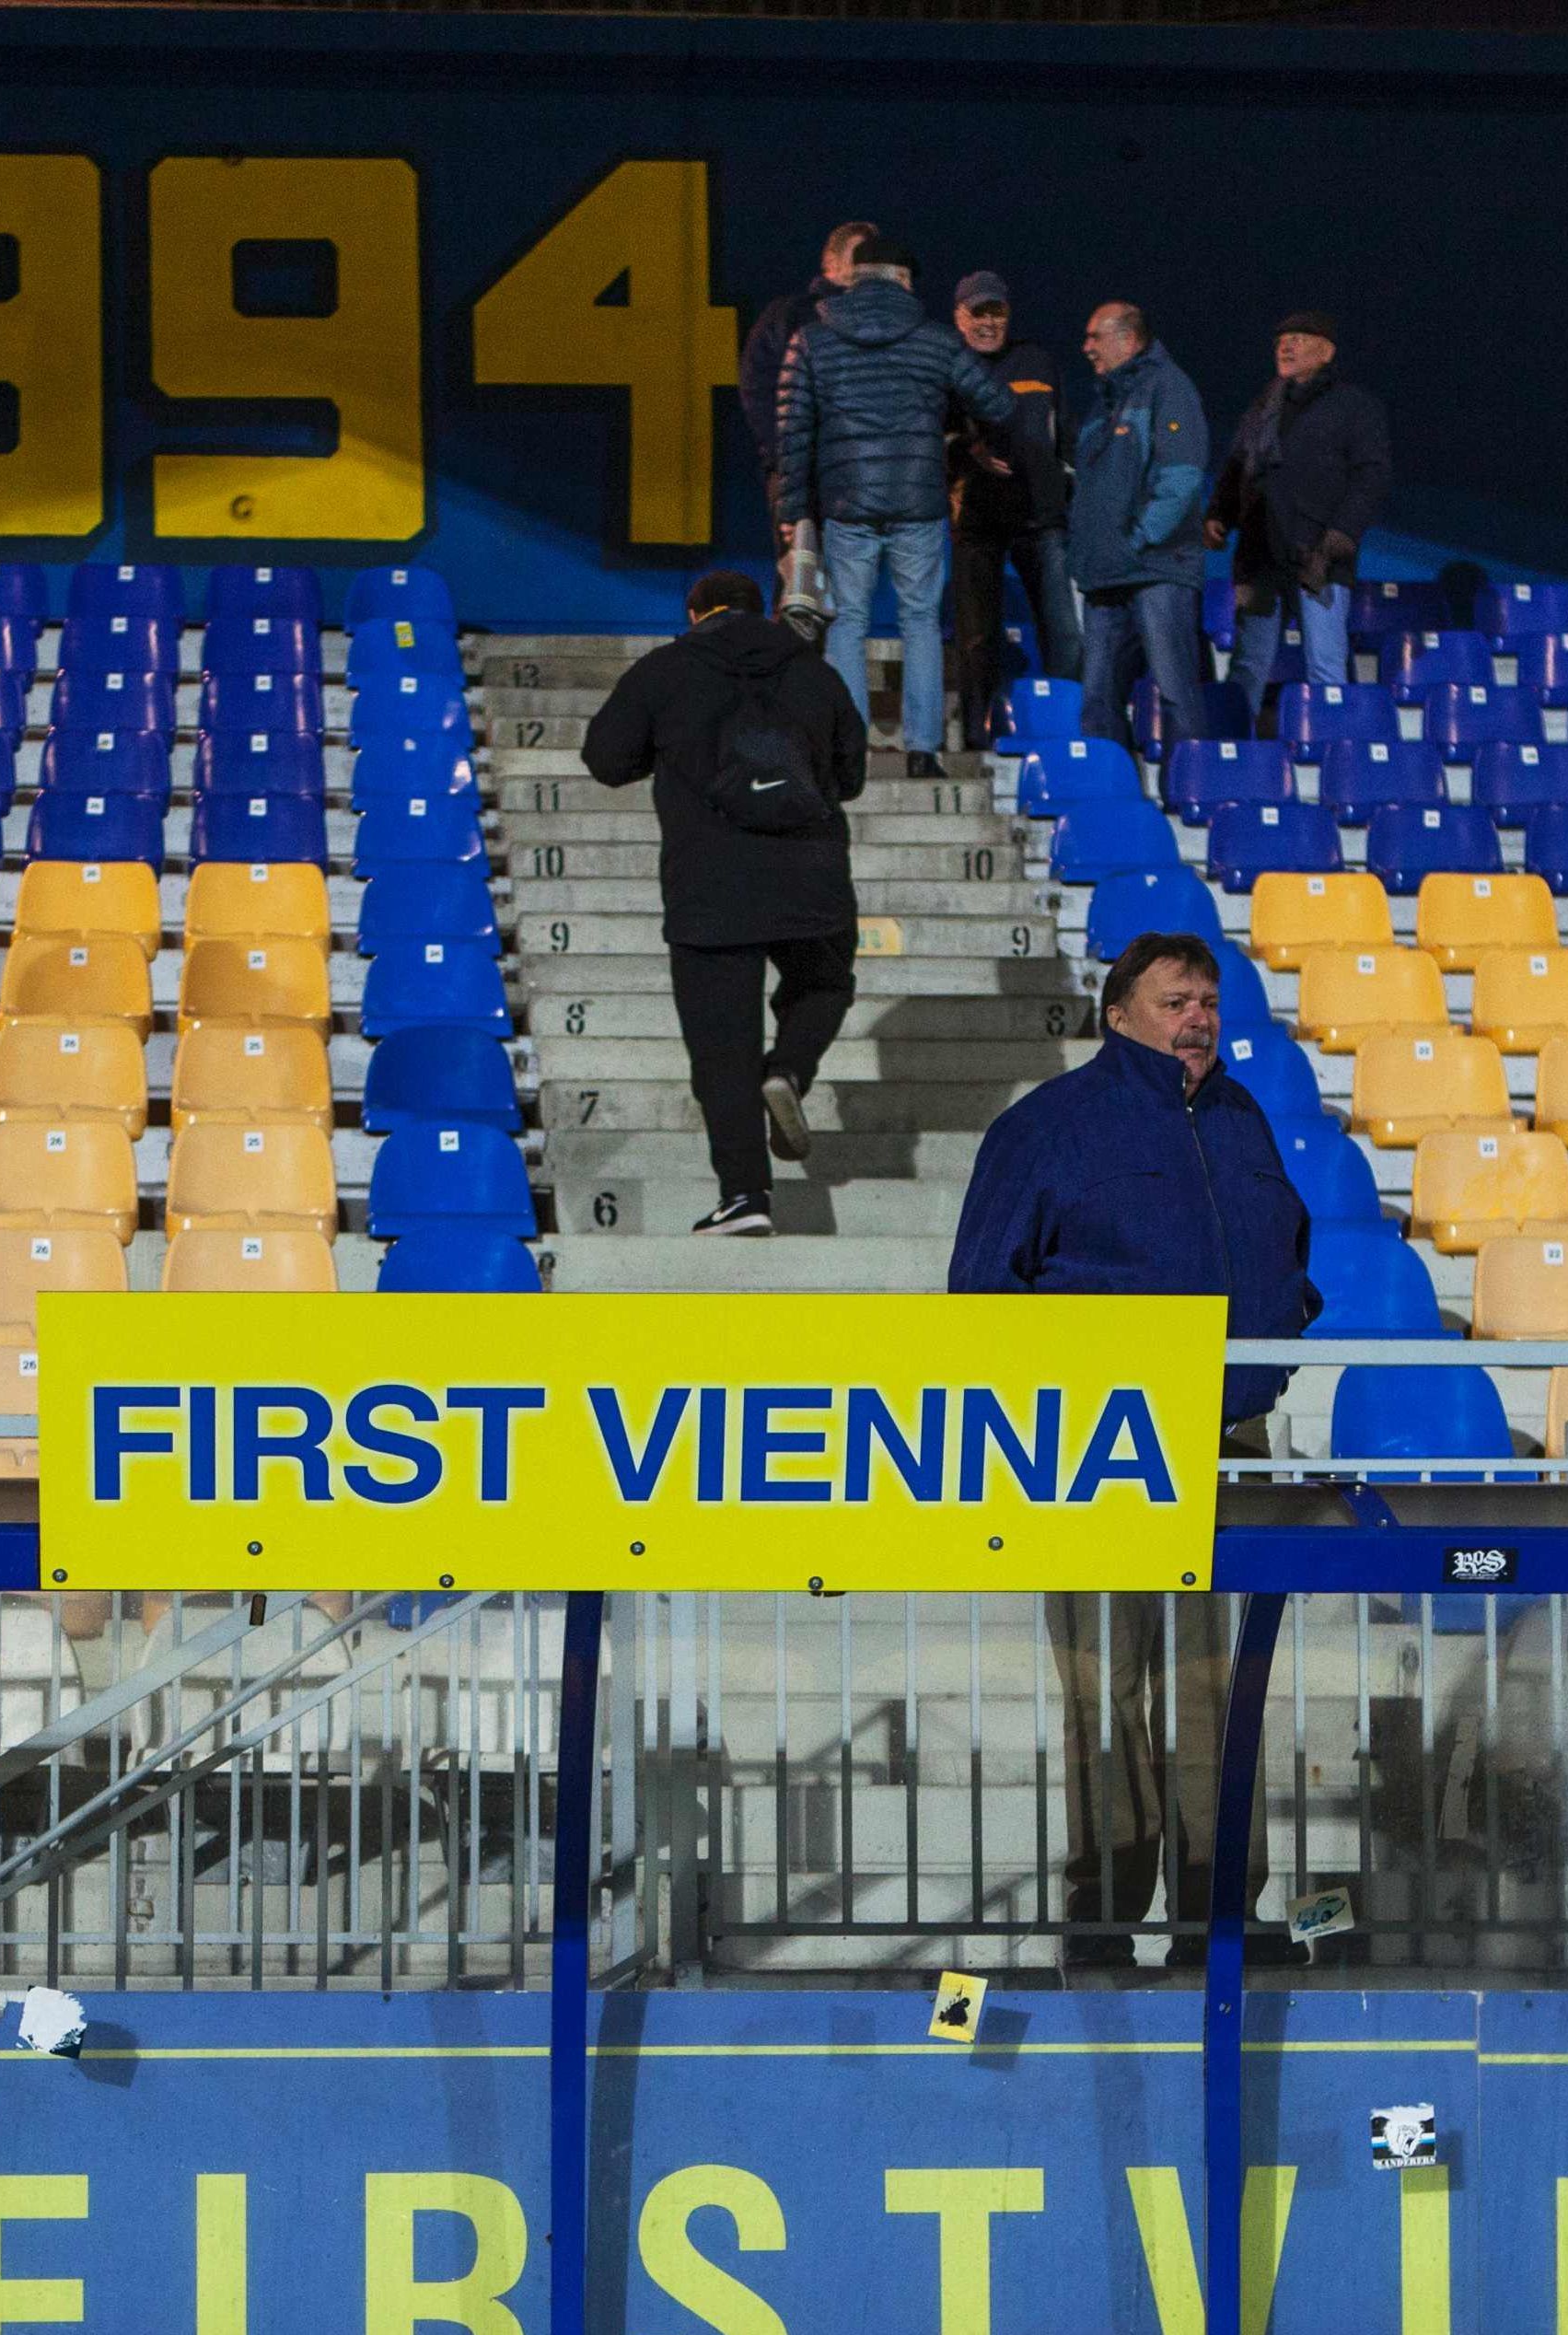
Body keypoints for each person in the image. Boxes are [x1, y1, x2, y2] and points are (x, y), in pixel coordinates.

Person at [947, 932, 1314, 1942]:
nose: (1198, 1017)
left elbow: (1287, 1250)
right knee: (1104, 1683)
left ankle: (1217, 1908)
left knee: (1213, 1689)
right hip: (1097, 1445)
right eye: (1174, 1001)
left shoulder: (1242, 1119)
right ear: (1117, 1016)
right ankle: (1105, 1905)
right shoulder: (1047, 1128)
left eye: (1208, 1000)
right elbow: (981, 1290)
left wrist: (1280, 1333)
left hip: (1225, 1439)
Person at [580, 567, 867, 1237]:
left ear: (693, 613)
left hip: (710, 884)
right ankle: (790, 1069)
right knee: (824, 983)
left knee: (721, 1050)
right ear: (759, 608)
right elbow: (849, 775)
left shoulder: (664, 671)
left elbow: (605, 759)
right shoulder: (813, 672)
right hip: (811, 876)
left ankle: (745, 1197)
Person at [774, 239, 1019, 776]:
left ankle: (849, 753)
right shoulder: (936, 341)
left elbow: (792, 434)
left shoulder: (812, 341)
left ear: (853, 278)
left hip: (846, 503)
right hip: (919, 502)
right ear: (904, 280)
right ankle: (923, 751)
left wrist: (793, 512)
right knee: (921, 624)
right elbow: (998, 404)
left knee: (847, 625)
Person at [1212, 312, 1392, 737]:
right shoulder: (1263, 405)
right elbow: (1238, 467)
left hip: (1319, 555)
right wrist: (1218, 514)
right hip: (1260, 555)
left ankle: (1334, 754)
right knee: (1249, 662)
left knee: (1326, 662)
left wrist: (1339, 536)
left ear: (1326, 352)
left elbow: (1372, 476)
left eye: (1298, 339)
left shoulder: (1354, 405)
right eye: (1280, 340)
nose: (1285, 346)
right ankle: (1233, 751)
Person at [939, 272, 1077, 753]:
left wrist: (1067, 485)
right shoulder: (945, 367)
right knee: (977, 639)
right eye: (978, 313)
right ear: (958, 317)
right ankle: (980, 735)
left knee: (1063, 633)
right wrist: (966, 453)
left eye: (996, 311)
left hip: (1041, 519)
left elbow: (1066, 434)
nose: (989, 322)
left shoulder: (1037, 360)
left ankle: (1069, 732)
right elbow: (930, 439)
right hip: (976, 521)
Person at [1067, 302, 1214, 747]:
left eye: (1096, 337)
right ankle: (1112, 801)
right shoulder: (1104, 402)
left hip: (1157, 569)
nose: (1086, 347)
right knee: (1096, 698)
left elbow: (1182, 477)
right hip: (1106, 573)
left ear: (1129, 340)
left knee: (1175, 692)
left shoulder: (1168, 387)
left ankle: (1191, 799)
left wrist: (1138, 539)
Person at [738, 223, 876, 538]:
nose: (866, 266)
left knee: (851, 578)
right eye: (859, 256)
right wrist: (787, 457)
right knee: (800, 574)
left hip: (861, 477)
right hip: (801, 476)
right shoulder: (789, 315)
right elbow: (758, 389)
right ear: (831, 261)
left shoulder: (881, 321)